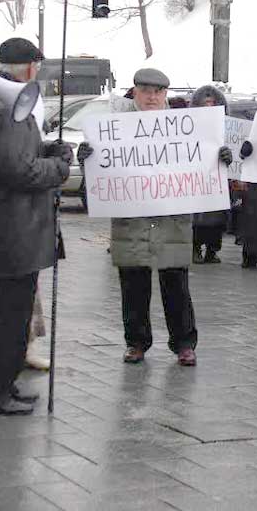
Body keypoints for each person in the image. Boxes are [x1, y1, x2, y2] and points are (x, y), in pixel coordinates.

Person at [0, 38, 71, 416]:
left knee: (12, 315)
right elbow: (16, 169)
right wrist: (59, 167)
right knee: (7, 317)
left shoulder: (6, 102)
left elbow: (19, 156)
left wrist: (47, 151)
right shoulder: (4, 105)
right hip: (12, 228)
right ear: (28, 67)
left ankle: (3, 384)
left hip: (16, 228)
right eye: (37, 67)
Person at [108, 68, 231, 366]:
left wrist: (221, 159)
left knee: (175, 283)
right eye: (145, 90)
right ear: (134, 91)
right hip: (132, 218)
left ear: (165, 94)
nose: (151, 96)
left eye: (157, 91)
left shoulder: (186, 126)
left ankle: (184, 344)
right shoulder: (114, 125)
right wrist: (92, 157)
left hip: (171, 219)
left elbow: (204, 159)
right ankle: (136, 342)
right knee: (133, 284)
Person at [191, 85, 230, 265]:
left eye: (212, 104)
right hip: (196, 181)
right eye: (205, 104)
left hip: (217, 181)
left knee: (217, 220)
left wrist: (227, 156)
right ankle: (195, 248)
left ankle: (212, 251)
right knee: (197, 219)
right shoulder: (189, 127)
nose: (209, 107)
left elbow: (235, 155)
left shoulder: (226, 128)